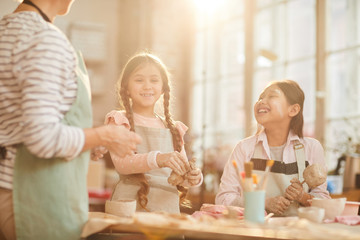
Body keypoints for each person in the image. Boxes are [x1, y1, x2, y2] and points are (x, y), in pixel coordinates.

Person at [0, 1, 141, 240]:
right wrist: (104, 135)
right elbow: (42, 138)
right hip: (32, 195)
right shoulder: (44, 39)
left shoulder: (6, 30)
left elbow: (18, 125)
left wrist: (87, 142)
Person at [104, 52, 203, 214]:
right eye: (139, 80)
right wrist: (159, 158)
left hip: (166, 209)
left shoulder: (173, 128)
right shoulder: (119, 120)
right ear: (126, 87)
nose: (147, 86)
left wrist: (193, 177)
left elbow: (182, 171)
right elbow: (122, 164)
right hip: (129, 207)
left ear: (163, 88)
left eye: (154, 80)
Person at [215, 80, 330, 216]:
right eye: (260, 97)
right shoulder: (244, 148)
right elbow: (223, 199)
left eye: (272, 96)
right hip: (254, 233)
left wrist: (302, 197)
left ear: (293, 110)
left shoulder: (312, 148)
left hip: (298, 233)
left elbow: (325, 203)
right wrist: (263, 202)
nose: (261, 101)